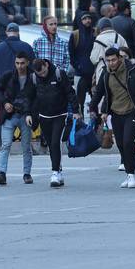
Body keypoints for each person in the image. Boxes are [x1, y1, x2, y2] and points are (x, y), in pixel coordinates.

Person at [90, 48, 135, 188]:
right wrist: (93, 108)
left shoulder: (133, 70)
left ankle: (131, 175)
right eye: (108, 60)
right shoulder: (106, 73)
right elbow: (100, 91)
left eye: (113, 60)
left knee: (128, 141)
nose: (111, 63)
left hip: (133, 111)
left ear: (120, 58)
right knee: (120, 144)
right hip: (116, 113)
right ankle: (128, 174)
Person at [31, 59, 79, 188]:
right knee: (51, 145)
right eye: (39, 74)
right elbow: (32, 97)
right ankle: (58, 169)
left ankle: (55, 172)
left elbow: (70, 92)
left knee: (55, 142)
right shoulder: (34, 78)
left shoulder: (59, 74)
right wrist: (30, 115)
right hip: (44, 115)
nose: (42, 75)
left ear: (46, 65)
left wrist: (75, 110)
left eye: (44, 72)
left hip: (60, 114)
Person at [0, 51, 36, 186]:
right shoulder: (9, 76)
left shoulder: (33, 77)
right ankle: (2, 173)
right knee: (5, 145)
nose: (20, 66)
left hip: (25, 115)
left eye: (22, 63)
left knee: (26, 146)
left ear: (27, 63)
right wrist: (5, 102)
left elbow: (35, 97)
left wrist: (31, 113)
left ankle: (27, 174)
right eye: (17, 63)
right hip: (10, 115)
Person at [69, 12, 96, 113]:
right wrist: (78, 67)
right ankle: (81, 125)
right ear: (80, 21)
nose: (88, 20)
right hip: (80, 74)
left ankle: (96, 125)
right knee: (80, 103)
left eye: (89, 18)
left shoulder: (95, 32)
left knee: (95, 102)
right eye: (85, 19)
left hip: (94, 74)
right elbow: (71, 55)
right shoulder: (75, 35)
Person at [91, 18, 128, 85]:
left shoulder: (99, 39)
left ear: (100, 28)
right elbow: (127, 54)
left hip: (103, 73)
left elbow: (94, 59)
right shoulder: (119, 37)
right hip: (120, 72)